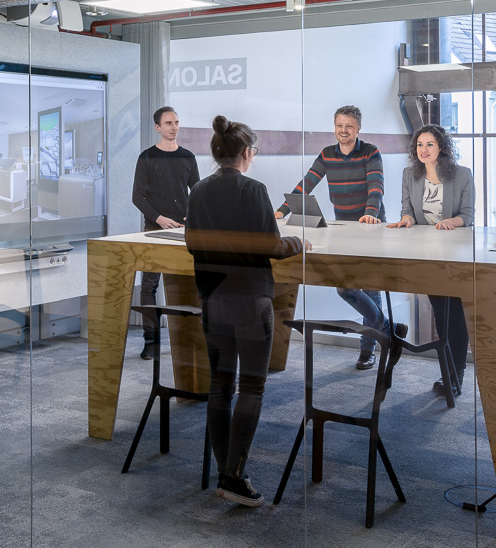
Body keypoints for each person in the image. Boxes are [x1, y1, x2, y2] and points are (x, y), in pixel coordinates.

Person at [186, 115, 306, 507]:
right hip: (250, 302)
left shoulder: (199, 190)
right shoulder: (254, 189)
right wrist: (298, 243)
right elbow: (270, 246)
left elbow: (192, 244)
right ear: (247, 153)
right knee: (251, 387)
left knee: (220, 387)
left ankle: (227, 475)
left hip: (213, 300)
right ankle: (232, 476)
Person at [276, 105, 398, 369]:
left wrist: (369, 214)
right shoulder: (326, 154)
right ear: (334, 127)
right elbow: (307, 182)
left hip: (370, 227)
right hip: (343, 228)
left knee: (369, 287)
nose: (344, 131)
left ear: (358, 129)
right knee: (345, 287)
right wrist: (282, 209)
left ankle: (367, 351)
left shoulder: (370, 152)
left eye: (349, 126)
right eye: (340, 126)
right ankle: (388, 329)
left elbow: (377, 186)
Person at [387, 124, 473, 399]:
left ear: (442, 148)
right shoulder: (409, 175)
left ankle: (454, 374)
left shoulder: (462, 175)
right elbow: (407, 210)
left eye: (429, 145)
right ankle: (449, 374)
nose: (423, 150)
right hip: (423, 252)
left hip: (453, 253)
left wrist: (452, 221)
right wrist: (406, 220)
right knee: (441, 311)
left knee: (452, 313)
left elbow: (468, 215)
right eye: (419, 145)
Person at [131, 106, 200, 361]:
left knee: (189, 281)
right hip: (154, 229)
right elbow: (137, 196)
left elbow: (197, 191)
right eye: (169, 123)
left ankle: (189, 337)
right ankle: (151, 341)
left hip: (183, 230)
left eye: (177, 122)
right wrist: (159, 219)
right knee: (149, 284)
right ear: (158, 127)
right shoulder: (147, 157)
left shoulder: (187, 157)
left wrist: (190, 217)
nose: (174, 127)